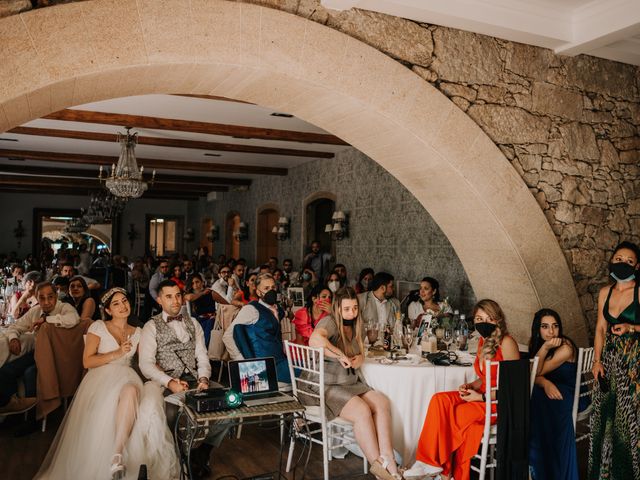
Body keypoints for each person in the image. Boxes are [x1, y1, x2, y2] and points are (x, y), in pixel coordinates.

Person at [34, 287, 177, 480]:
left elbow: (146, 362)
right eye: (116, 304)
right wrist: (116, 353)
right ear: (108, 310)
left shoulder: (138, 332)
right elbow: (87, 361)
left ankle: (117, 454)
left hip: (127, 376)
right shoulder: (98, 326)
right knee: (126, 392)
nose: (122, 306)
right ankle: (114, 457)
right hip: (101, 378)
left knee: (131, 391)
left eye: (124, 301)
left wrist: (168, 378)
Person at [405, 299, 520, 480]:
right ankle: (428, 461)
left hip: (499, 403)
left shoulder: (507, 343)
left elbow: (515, 389)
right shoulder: (484, 341)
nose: (483, 323)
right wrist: (471, 386)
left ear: (498, 320)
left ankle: (444, 470)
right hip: (482, 395)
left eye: (488, 318)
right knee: (439, 400)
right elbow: (485, 378)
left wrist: (480, 398)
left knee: (458, 412)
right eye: (479, 319)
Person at [304, 287, 403, 480]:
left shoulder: (358, 323)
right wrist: (339, 354)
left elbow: (359, 349)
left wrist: (360, 358)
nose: (352, 313)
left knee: (382, 402)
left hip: (348, 381)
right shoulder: (330, 321)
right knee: (362, 411)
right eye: (347, 309)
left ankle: (389, 460)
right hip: (325, 384)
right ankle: (379, 469)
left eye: (355, 308)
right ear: (338, 309)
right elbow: (314, 339)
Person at [139, 280, 217, 479]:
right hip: (165, 382)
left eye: (178, 295)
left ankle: (200, 456)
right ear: (159, 300)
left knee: (226, 408)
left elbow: (202, 355)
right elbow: (146, 364)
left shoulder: (194, 322)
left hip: (194, 378)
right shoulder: (151, 326)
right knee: (173, 415)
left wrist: (204, 379)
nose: (175, 301)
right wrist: (170, 382)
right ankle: (179, 459)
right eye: (169, 296)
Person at [590, 241, 640, 480]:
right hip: (609, 362)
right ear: (612, 261)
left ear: (637, 266)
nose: (623, 264)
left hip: (635, 364)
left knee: (631, 420)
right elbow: (600, 328)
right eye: (619, 259)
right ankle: (606, 473)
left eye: (629, 261)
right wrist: (597, 361)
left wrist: (632, 327)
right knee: (606, 417)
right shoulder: (605, 292)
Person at [0, 282, 80, 414]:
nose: (47, 302)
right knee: (5, 370)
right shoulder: (36, 311)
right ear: (37, 298)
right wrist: (13, 338)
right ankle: (10, 405)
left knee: (30, 373)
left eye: (50, 297)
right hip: (38, 353)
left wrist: (47, 320)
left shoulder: (64, 307)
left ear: (56, 296)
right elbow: (15, 326)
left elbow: (74, 319)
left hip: (57, 355)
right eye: (42, 298)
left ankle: (33, 419)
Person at [527, 308, 579, 480]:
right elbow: (533, 374)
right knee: (533, 397)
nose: (551, 331)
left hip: (569, 392)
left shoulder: (566, 347)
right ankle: (536, 462)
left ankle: (545, 468)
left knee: (535, 400)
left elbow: (535, 371)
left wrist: (546, 347)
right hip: (549, 389)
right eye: (545, 326)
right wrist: (545, 382)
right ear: (538, 329)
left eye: (555, 326)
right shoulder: (540, 344)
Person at [222, 273, 291, 383]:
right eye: (266, 288)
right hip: (263, 365)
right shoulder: (251, 309)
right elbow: (227, 336)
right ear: (259, 292)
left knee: (311, 372)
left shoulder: (276, 309)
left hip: (280, 360)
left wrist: (288, 313)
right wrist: (242, 362)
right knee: (306, 375)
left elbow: (279, 315)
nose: (271, 291)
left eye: (273, 287)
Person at [184, 273, 220, 347]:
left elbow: (222, 303)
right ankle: (204, 347)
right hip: (198, 320)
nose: (195, 285)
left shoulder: (210, 292)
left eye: (197, 282)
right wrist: (203, 293)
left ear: (202, 282)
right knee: (209, 323)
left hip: (212, 317)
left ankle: (204, 348)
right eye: (192, 283)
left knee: (211, 321)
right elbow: (190, 298)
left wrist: (216, 314)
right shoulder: (190, 294)